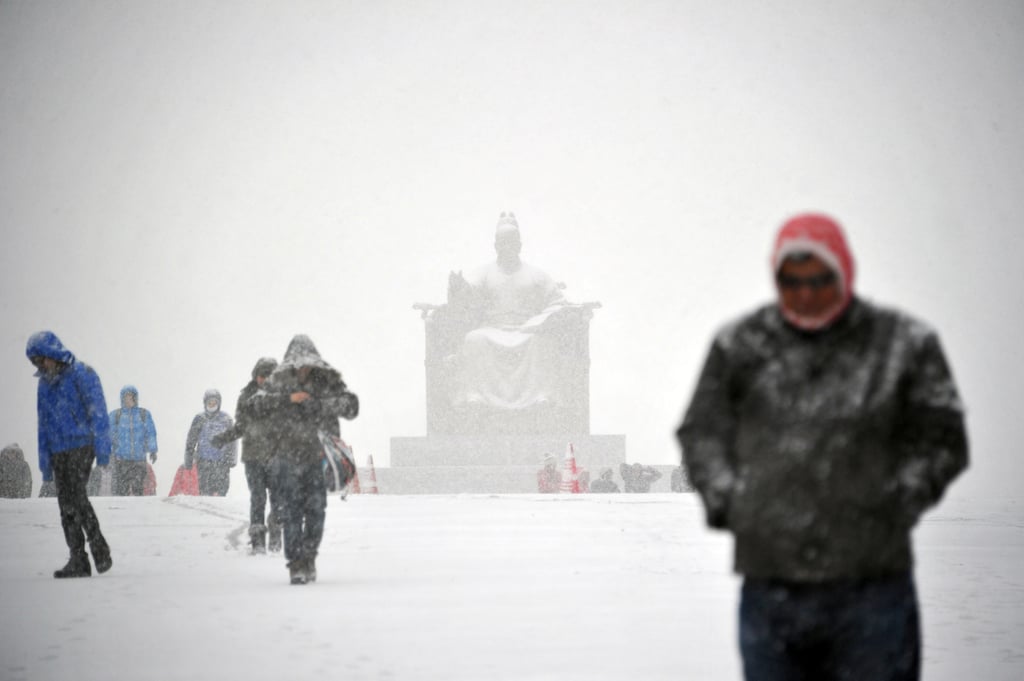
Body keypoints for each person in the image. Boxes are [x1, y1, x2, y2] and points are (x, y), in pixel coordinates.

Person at [676, 213, 969, 681]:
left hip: (873, 586)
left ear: (845, 273)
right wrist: (733, 501)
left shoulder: (902, 345)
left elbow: (942, 436)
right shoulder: (741, 347)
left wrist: (899, 497)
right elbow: (702, 433)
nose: (806, 294)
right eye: (791, 282)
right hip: (772, 585)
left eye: (819, 280)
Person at [252, 335, 358, 584]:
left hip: (317, 457)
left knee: (316, 511)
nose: (303, 369)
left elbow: (351, 406)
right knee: (290, 511)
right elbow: (255, 406)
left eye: (307, 364)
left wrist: (319, 405)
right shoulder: (278, 380)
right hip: (285, 456)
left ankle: (309, 556)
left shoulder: (328, 379)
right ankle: (296, 563)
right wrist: (288, 400)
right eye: (298, 365)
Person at [449, 212, 570, 410]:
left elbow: (558, 303)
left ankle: (542, 396)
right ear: (495, 246)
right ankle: (475, 396)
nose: (507, 247)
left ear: (519, 246)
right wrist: (458, 288)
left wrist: (538, 322)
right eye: (502, 243)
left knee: (544, 342)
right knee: (473, 339)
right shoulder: (483, 273)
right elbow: (467, 298)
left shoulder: (536, 275)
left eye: (511, 242)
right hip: (492, 330)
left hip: (526, 331)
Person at [26, 331, 113, 578]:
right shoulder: (43, 385)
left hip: (82, 445)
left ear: (53, 353)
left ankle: (98, 545)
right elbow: (42, 424)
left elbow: (98, 412)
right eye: (36, 362)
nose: (41, 366)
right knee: (65, 505)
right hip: (57, 451)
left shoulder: (82, 374)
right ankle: (78, 559)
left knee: (76, 494)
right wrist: (44, 461)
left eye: (42, 359)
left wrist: (103, 448)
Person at [212, 358, 282, 554]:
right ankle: (258, 541)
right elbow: (240, 427)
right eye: (262, 376)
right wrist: (223, 438)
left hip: (278, 456)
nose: (265, 380)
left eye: (270, 376)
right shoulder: (246, 396)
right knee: (258, 498)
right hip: (253, 457)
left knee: (279, 500)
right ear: (255, 376)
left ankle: (276, 537)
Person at [183, 389, 237, 496]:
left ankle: (218, 509)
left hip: (221, 463)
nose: (212, 405)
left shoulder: (226, 419)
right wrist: (188, 458)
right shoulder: (199, 419)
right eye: (209, 402)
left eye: (214, 402)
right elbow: (191, 440)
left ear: (219, 403)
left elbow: (233, 442)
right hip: (204, 462)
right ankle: (207, 510)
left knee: (222, 492)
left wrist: (231, 458)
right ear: (205, 403)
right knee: (205, 492)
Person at [109, 385, 158, 496]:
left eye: (131, 397)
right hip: (121, 459)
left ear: (135, 398)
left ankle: (137, 511)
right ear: (122, 399)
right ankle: (122, 512)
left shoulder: (143, 414)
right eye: (126, 397)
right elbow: (108, 436)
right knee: (121, 490)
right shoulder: (115, 415)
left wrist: (153, 449)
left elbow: (150, 433)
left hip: (139, 459)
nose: (128, 400)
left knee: (138, 488)